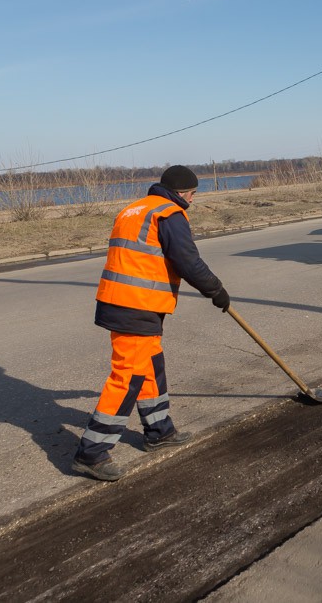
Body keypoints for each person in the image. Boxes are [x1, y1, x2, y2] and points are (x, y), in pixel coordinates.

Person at [72, 165, 231, 481]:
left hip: (126, 301)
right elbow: (188, 262)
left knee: (150, 365)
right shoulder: (169, 214)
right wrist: (216, 290)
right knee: (128, 375)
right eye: (193, 194)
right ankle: (91, 453)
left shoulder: (134, 210)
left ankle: (159, 432)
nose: (192, 200)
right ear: (181, 193)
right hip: (135, 304)